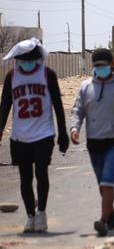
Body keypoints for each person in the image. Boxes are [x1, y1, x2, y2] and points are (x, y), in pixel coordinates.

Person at [70, 49, 114, 237]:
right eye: (97, 66)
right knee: (102, 185)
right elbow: (77, 111)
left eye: (103, 66)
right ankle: (111, 214)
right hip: (94, 143)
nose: (100, 69)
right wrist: (74, 129)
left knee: (108, 181)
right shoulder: (86, 87)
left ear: (112, 64)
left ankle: (102, 220)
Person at [0, 38, 69, 233]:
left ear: (38, 58)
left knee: (41, 173)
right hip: (20, 136)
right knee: (25, 178)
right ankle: (30, 216)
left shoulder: (47, 75)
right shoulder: (11, 77)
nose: (26, 62)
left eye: (30, 59)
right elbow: (5, 106)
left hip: (43, 134)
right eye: (23, 59)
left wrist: (62, 133)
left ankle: (42, 213)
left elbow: (57, 104)